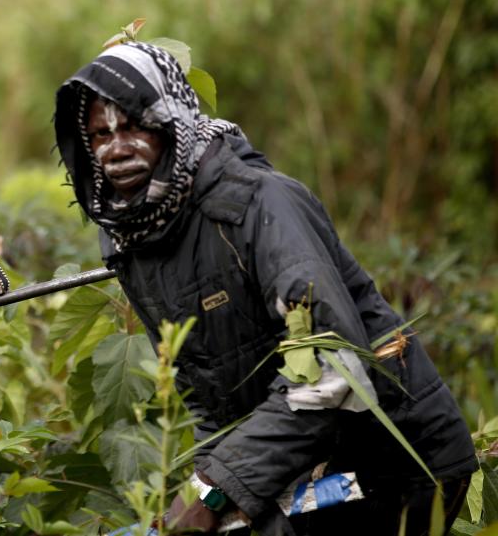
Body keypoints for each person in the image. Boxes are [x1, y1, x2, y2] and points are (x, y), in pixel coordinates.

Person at [53, 41, 478, 535]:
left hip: (393, 468)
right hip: (299, 467)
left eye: (132, 126)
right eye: (99, 134)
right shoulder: (134, 239)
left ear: (169, 122)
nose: (116, 148)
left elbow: (331, 367)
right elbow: (204, 393)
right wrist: (209, 496)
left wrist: (214, 490)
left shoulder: (258, 204)